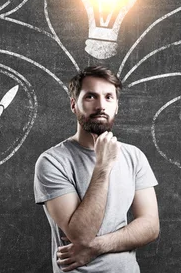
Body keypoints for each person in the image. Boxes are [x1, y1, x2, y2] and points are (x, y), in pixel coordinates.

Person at [34, 65, 159, 272]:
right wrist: (103, 166)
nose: (101, 105)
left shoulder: (134, 156)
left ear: (117, 105)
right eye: (91, 97)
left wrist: (97, 247)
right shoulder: (52, 161)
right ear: (74, 105)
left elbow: (150, 226)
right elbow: (81, 235)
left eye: (109, 97)